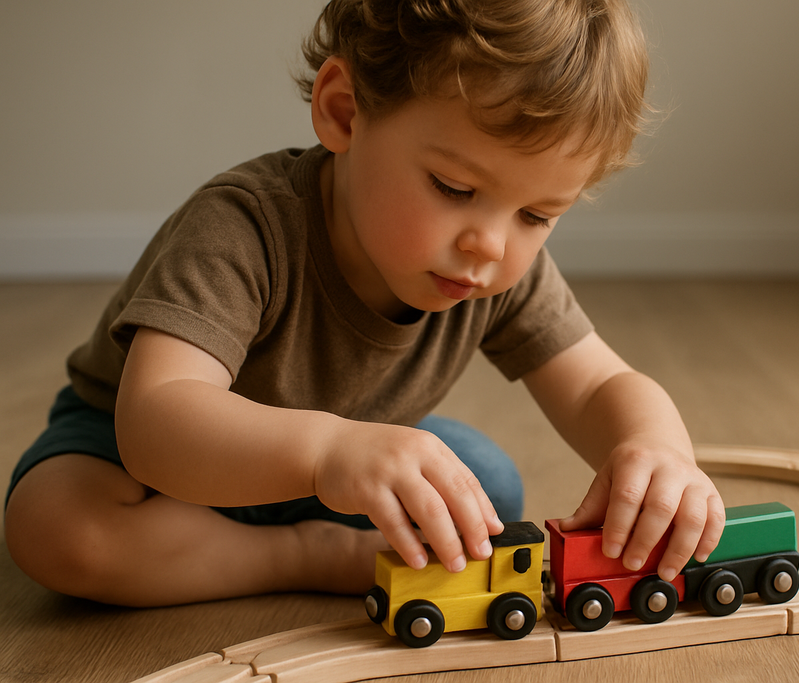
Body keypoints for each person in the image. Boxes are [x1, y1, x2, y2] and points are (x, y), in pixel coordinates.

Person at [4, 0, 725, 607]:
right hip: (152, 465)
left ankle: (315, 533)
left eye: (537, 215)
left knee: (491, 490)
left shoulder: (492, 264)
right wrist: (328, 451)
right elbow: (157, 419)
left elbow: (598, 382)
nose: (490, 244)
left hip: (344, 461)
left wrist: (658, 451)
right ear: (344, 113)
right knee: (57, 527)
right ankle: (304, 557)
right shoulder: (244, 227)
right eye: (453, 187)